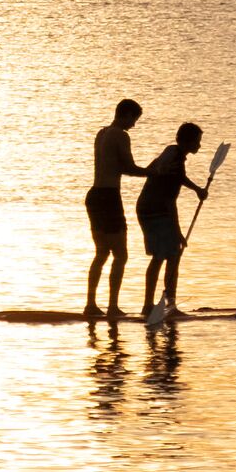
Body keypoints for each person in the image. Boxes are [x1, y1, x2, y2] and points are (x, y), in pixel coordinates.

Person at [137, 120, 209, 329]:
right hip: (156, 210)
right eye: (197, 141)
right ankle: (163, 305)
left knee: (165, 255)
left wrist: (197, 189)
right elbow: (170, 201)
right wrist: (178, 232)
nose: (199, 145)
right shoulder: (174, 161)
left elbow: (179, 177)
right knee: (167, 255)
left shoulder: (172, 152)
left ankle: (154, 304)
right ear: (187, 141)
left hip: (146, 207)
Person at [85, 98, 145, 322]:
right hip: (109, 197)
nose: (133, 125)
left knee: (101, 253)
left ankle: (91, 304)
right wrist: (154, 172)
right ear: (126, 114)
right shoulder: (120, 135)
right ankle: (112, 307)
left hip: (94, 195)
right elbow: (128, 168)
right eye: (134, 119)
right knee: (120, 255)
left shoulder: (101, 133)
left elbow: (114, 165)